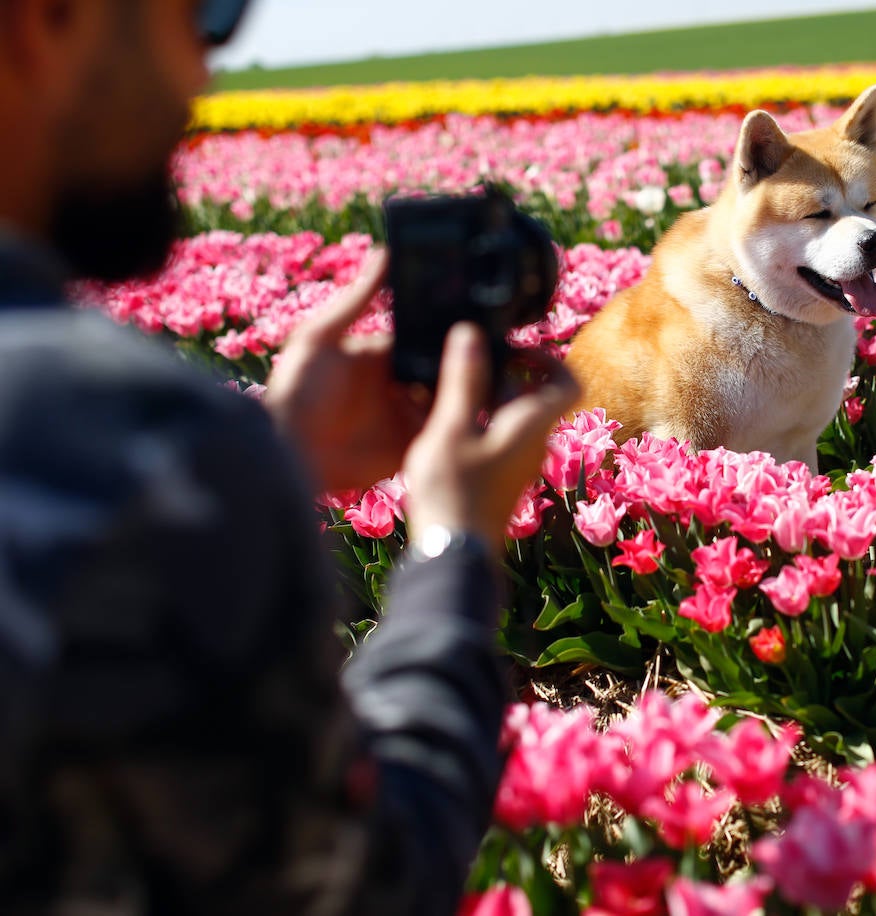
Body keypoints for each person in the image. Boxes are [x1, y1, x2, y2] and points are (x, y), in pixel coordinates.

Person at [0, 1, 579, 913]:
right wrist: (453, 555)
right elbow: (357, 881)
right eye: (205, 11)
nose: (209, 69)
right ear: (42, 22)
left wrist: (266, 461)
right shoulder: (124, 433)